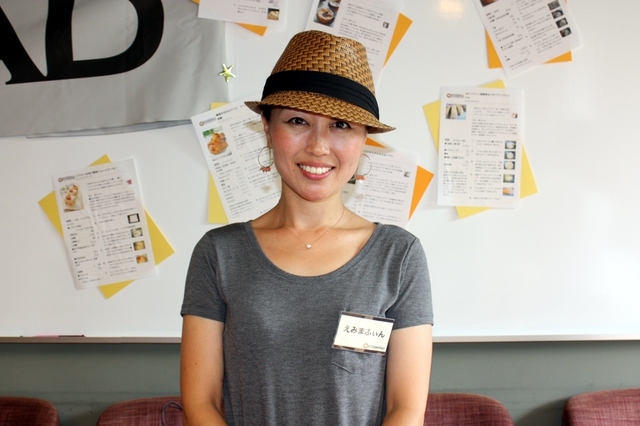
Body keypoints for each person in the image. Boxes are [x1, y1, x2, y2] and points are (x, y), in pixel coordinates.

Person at [180, 30, 433, 426]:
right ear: (267, 127)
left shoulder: (398, 256)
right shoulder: (219, 253)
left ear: (364, 139)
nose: (318, 146)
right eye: (298, 121)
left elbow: (406, 409)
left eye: (341, 125)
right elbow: (201, 403)